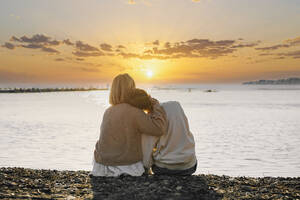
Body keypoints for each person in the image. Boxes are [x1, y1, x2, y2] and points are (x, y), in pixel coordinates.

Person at [91, 74, 166, 177]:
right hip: (126, 166)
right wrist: (155, 105)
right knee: (147, 131)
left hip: (101, 166)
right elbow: (158, 129)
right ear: (131, 89)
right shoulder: (135, 112)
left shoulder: (108, 111)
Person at [125, 88, 197, 175]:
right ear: (149, 96)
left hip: (165, 168)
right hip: (189, 166)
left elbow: (147, 153)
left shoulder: (151, 120)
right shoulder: (175, 105)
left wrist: (145, 170)